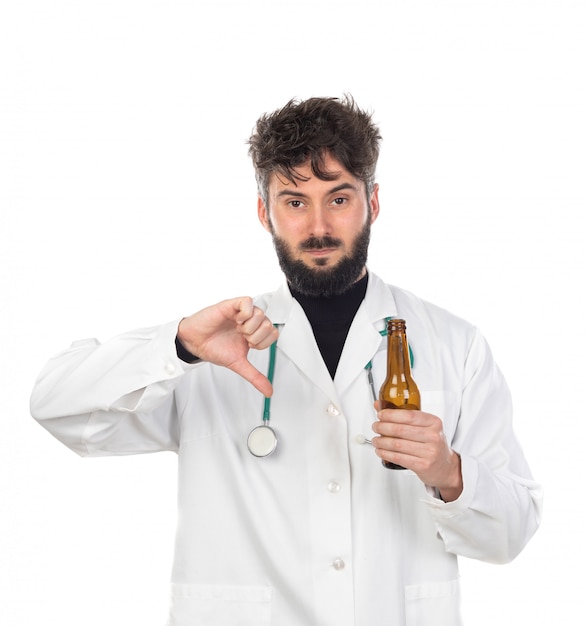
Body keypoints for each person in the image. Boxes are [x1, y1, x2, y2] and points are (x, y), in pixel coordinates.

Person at [30, 95, 542, 626]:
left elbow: (512, 532)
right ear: (263, 211)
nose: (318, 226)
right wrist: (178, 345)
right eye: (295, 202)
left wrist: (448, 473)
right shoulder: (212, 346)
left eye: (339, 199)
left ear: (374, 202)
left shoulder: (453, 345)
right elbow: (54, 405)